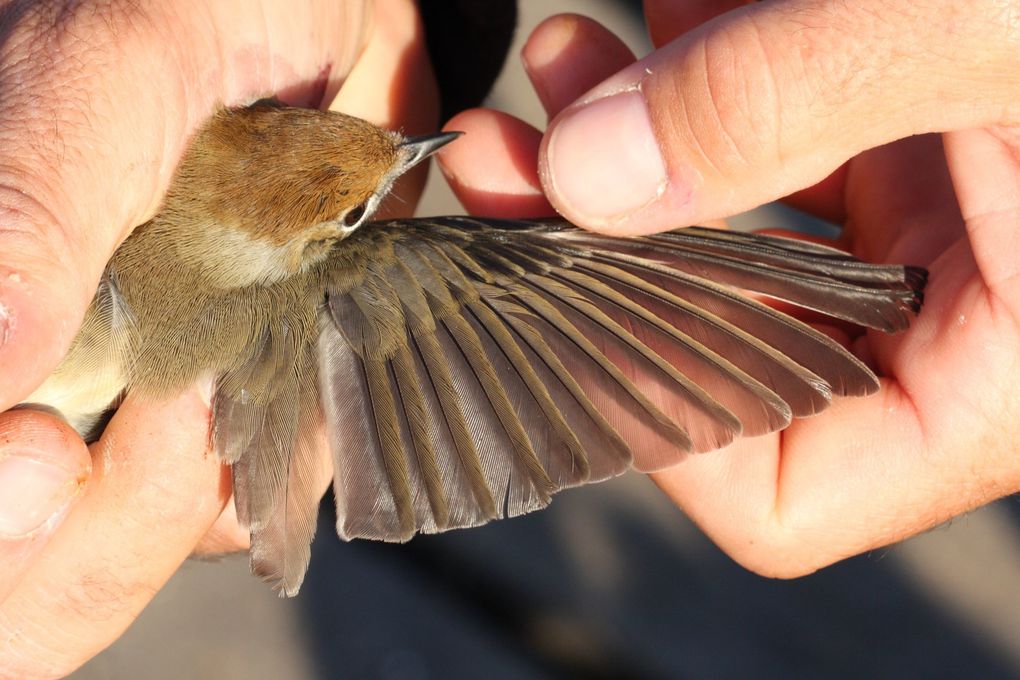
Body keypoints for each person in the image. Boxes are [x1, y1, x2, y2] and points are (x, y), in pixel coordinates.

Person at [0, 0, 1017, 676]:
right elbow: (552, 294)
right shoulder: (347, 285)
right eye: (353, 216)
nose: (408, 168)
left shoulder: (160, 163)